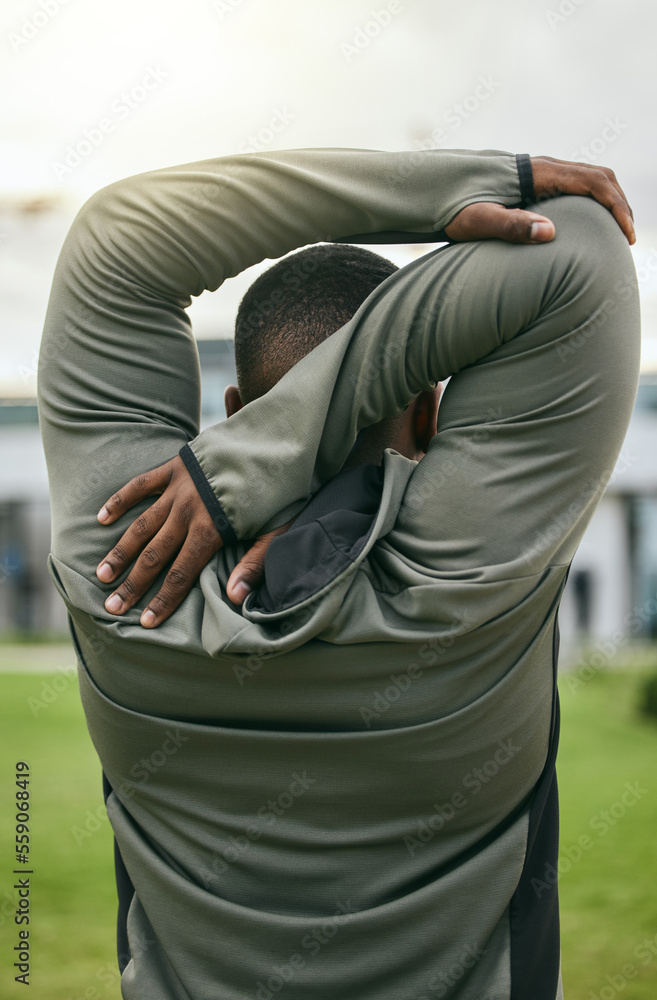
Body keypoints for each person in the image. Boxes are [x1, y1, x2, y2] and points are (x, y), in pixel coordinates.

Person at [37, 147, 639, 1000]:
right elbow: (579, 248)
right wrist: (265, 454)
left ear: (234, 413)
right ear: (429, 412)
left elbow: (120, 234)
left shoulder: (122, 569)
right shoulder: (471, 574)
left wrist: (233, 468)